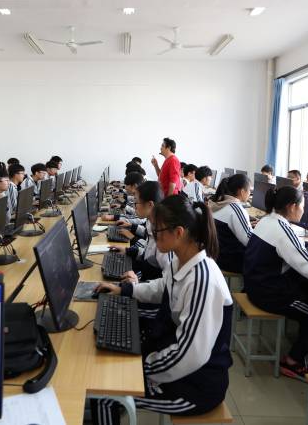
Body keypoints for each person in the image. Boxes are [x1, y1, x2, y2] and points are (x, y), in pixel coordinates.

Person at [93, 195, 233, 423]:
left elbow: (190, 355)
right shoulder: (181, 260)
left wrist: (141, 369)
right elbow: (162, 287)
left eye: (156, 231)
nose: (152, 235)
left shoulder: (203, 281)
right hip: (175, 360)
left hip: (195, 386)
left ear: (178, 232)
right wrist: (125, 290)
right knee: (112, 365)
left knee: (106, 396)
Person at [244, 185, 308, 381]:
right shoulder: (283, 230)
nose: (304, 211)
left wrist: (307, 244)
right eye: (303, 206)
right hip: (268, 294)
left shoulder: (268, 221)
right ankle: (293, 361)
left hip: (255, 285)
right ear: (292, 206)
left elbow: (285, 246)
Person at [108, 181, 165, 282]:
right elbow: (147, 254)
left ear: (150, 204)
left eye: (136, 203)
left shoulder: (164, 236)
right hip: (144, 277)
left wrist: (137, 282)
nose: (134, 206)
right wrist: (127, 251)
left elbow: (163, 282)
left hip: (147, 283)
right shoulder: (151, 223)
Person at [211, 174, 254, 273]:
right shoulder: (236, 208)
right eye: (249, 191)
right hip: (230, 261)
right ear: (242, 191)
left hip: (217, 255)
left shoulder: (219, 202)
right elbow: (249, 241)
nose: (250, 194)